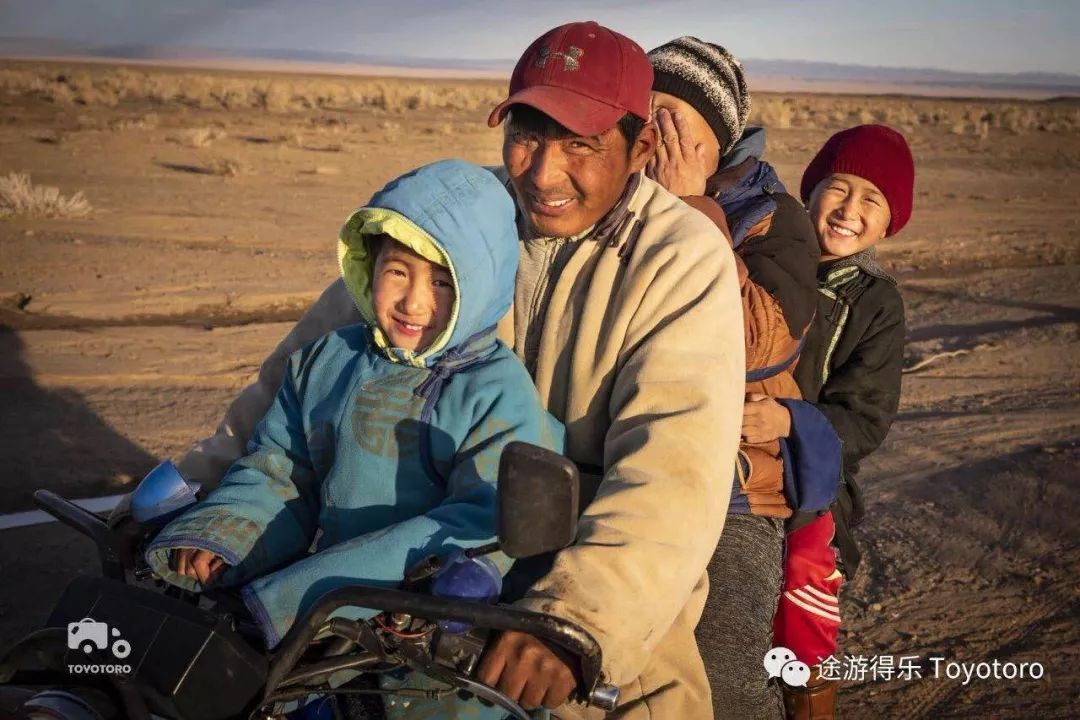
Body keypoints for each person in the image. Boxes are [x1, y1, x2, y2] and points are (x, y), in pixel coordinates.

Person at [122, 21, 744, 719]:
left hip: (582, 628)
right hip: (396, 608)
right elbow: (298, 386)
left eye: (581, 144)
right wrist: (202, 509)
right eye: (527, 136)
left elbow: (674, 477)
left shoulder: (680, 258)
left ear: (642, 148)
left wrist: (576, 624)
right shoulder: (456, 216)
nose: (542, 172)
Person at [144, 159, 564, 719]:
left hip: (436, 641)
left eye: (442, 282)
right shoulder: (327, 360)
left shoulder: (496, 390)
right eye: (398, 273)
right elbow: (279, 469)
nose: (415, 303)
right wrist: (223, 536)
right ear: (368, 267)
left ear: (481, 284)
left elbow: (488, 516)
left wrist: (457, 579)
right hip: (326, 638)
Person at [646, 36, 825, 719]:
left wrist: (692, 208)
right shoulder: (618, 200)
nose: (654, 136)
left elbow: (754, 345)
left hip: (735, 489)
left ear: (719, 137)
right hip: (630, 464)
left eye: (673, 118)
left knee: (724, 681)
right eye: (643, 115)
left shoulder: (777, 220)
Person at [751, 124, 915, 719]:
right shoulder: (764, 256)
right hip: (729, 451)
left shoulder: (876, 303)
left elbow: (865, 419)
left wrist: (788, 420)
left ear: (890, 220)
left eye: (871, 200)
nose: (849, 210)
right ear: (812, 190)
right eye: (838, 189)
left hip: (810, 481)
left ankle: (807, 703)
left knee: (800, 586)